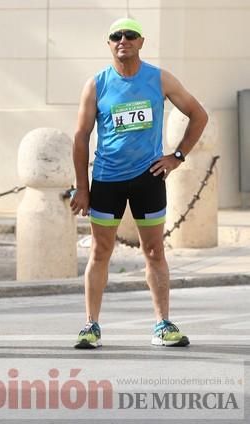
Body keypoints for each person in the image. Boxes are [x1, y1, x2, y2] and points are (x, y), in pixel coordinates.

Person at [70, 18, 208, 349]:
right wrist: (82, 187)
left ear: (141, 42)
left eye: (130, 35)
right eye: (116, 36)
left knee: (154, 250)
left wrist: (176, 156)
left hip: (149, 179)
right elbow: (80, 136)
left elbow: (198, 114)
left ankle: (163, 324)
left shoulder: (159, 79)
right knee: (101, 251)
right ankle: (91, 326)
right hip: (106, 179)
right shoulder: (97, 84)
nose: (123, 40)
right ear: (108, 44)